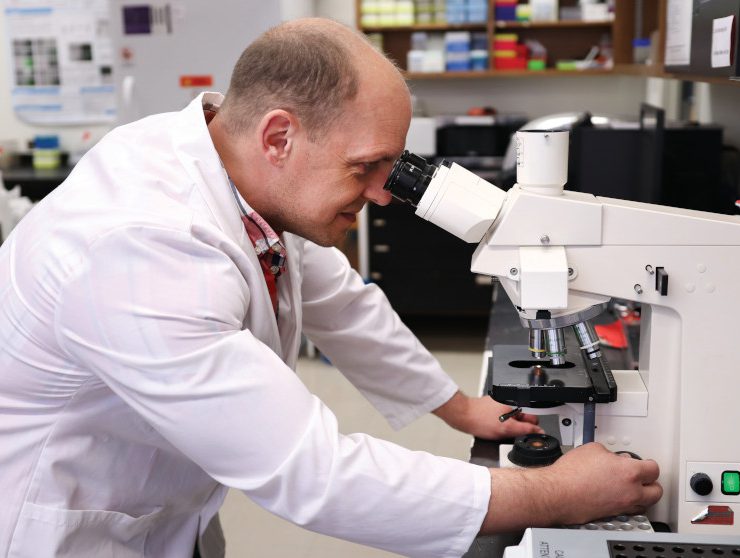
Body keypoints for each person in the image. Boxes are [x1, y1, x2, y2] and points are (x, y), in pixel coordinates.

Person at [0, 18, 661, 558]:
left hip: (164, 508)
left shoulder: (232, 168)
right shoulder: (141, 246)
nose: (383, 193)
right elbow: (313, 473)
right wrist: (559, 494)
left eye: (392, 167)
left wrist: (460, 409)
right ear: (280, 135)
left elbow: (343, 303)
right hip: (65, 531)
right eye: (368, 167)